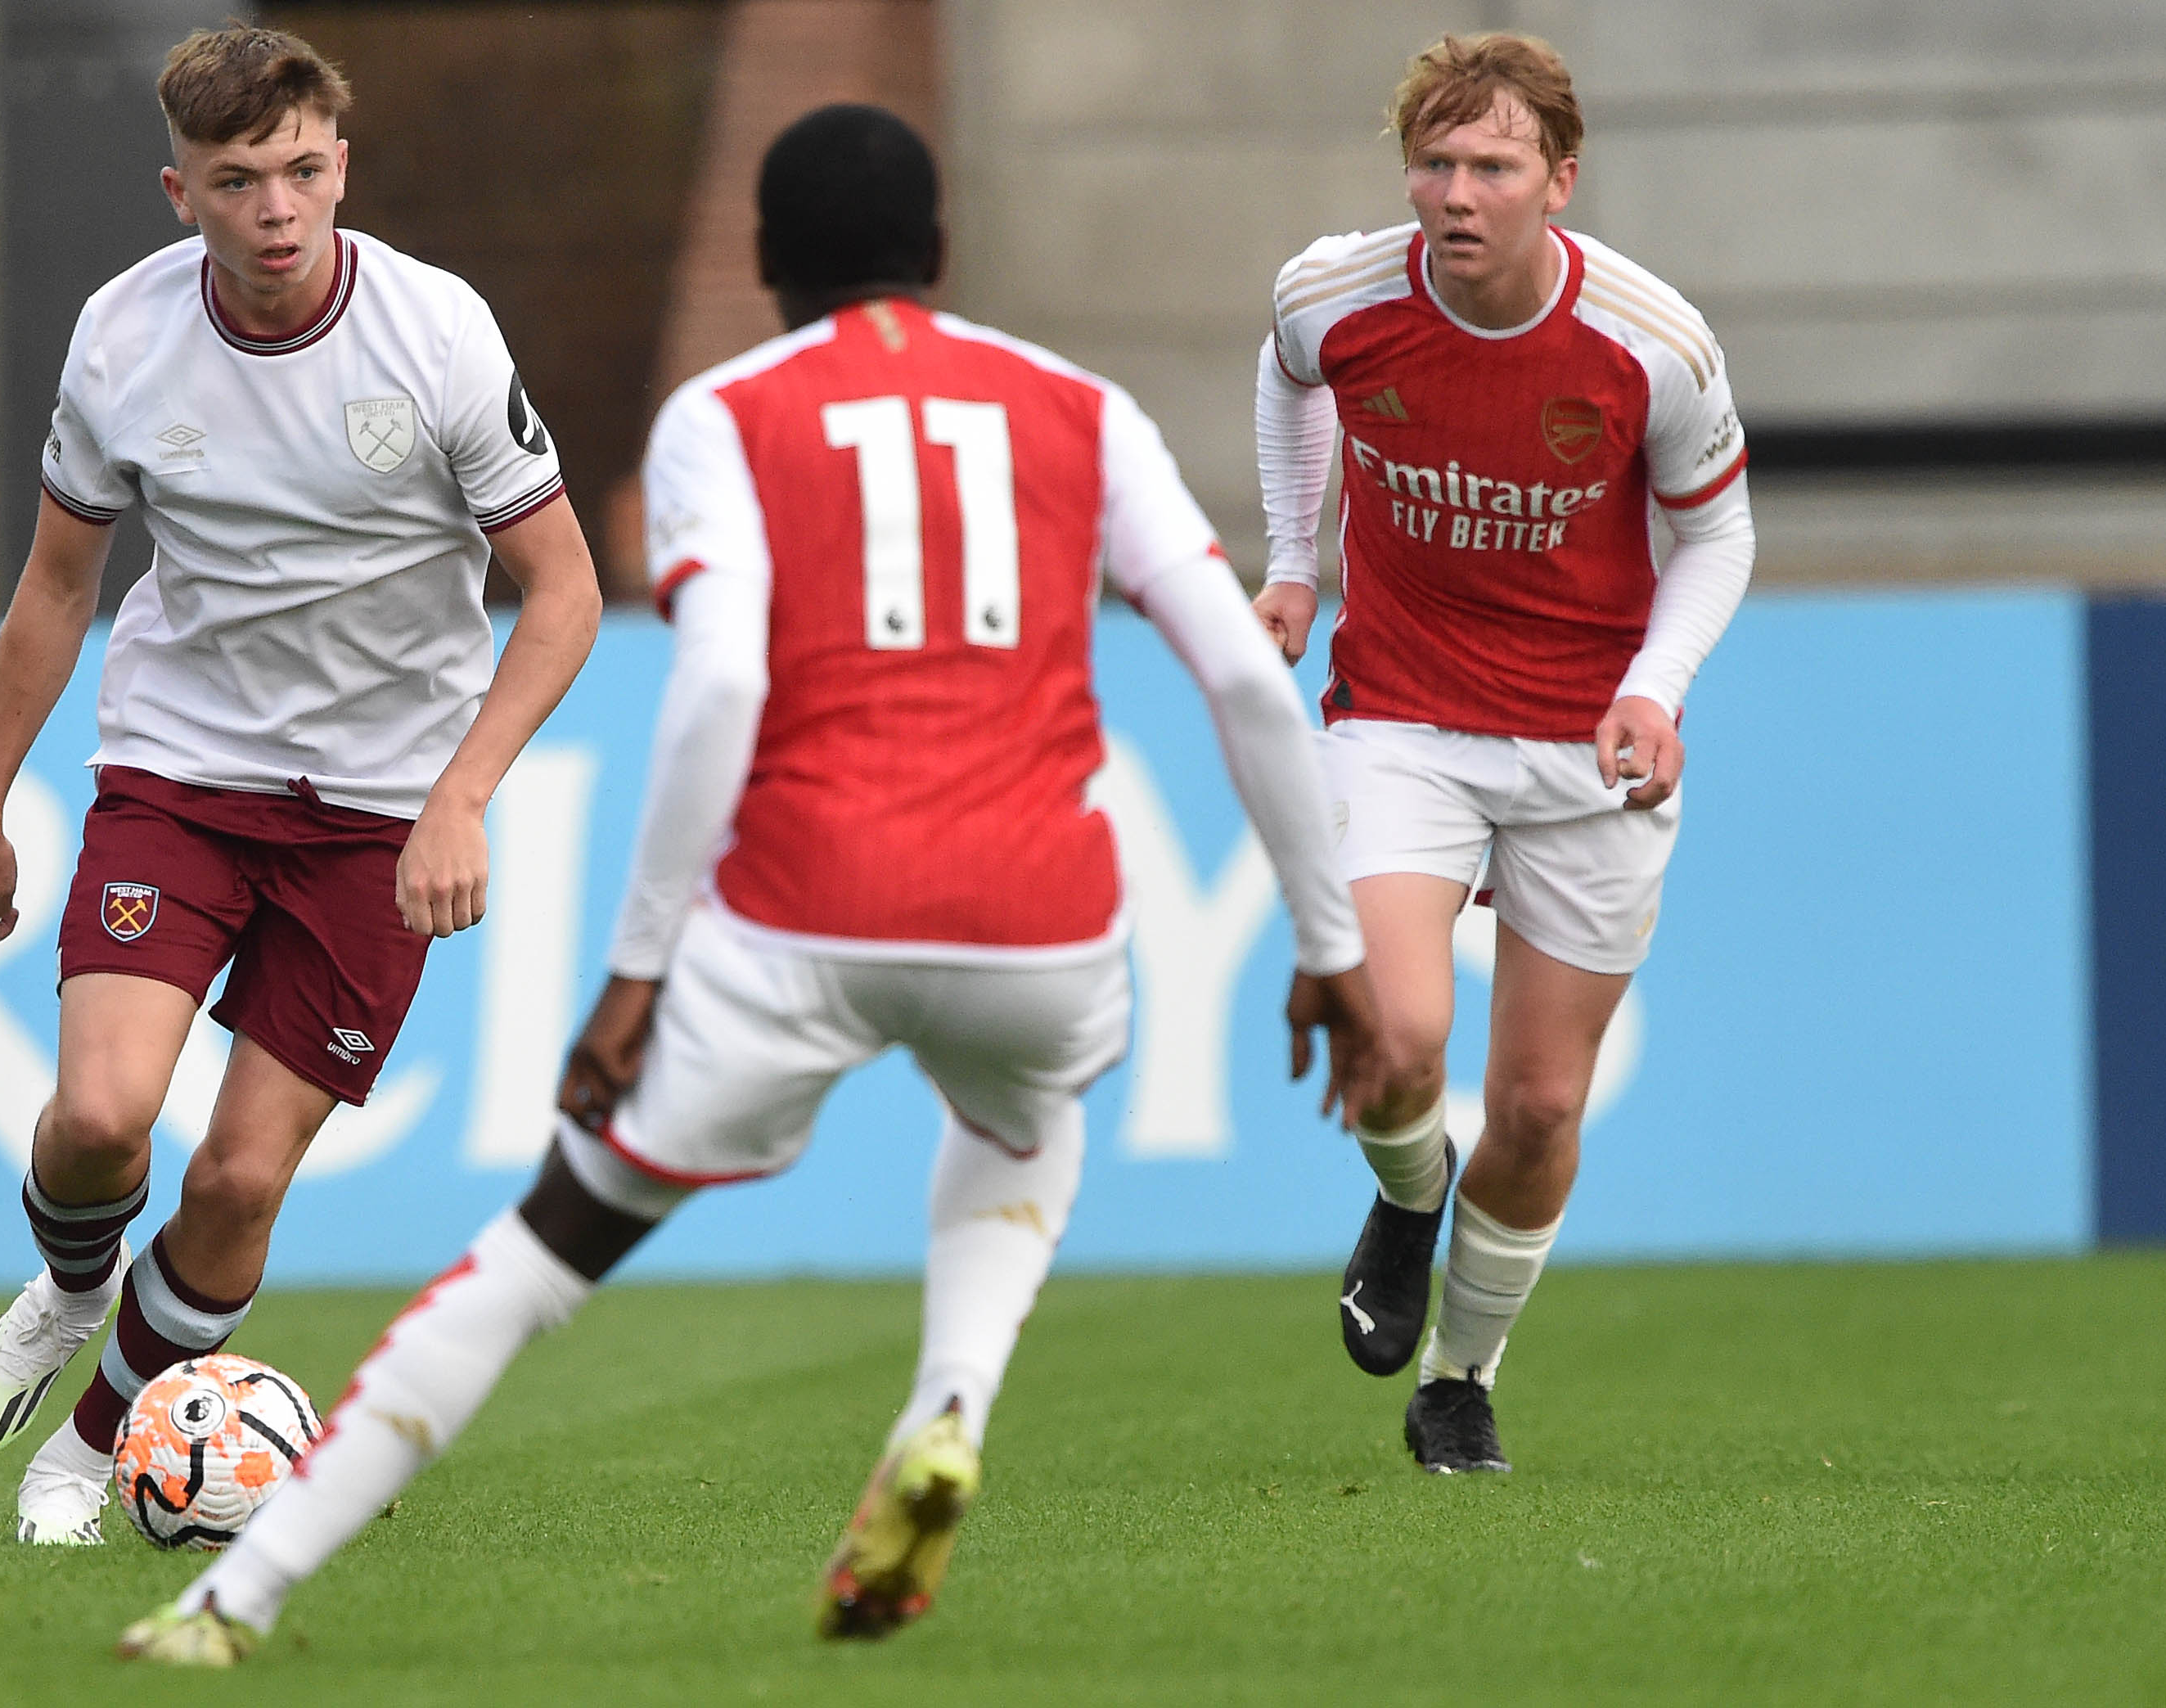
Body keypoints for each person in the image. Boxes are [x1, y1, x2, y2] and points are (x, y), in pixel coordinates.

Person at [114, 102, 1380, 1666]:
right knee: (1020, 1121)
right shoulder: (1081, 407)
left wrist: (638, 972)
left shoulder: (726, 415)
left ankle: (231, 1598)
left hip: (806, 915)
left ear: (766, 263)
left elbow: (716, 695)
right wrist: (1330, 943)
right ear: (942, 251)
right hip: (1041, 919)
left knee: (537, 1261)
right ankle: (949, 1404)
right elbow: (1250, 688)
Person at [0, 24, 601, 1544]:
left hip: (379, 811)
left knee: (236, 1181)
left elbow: (561, 591)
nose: (278, 209)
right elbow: (55, 586)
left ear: (341, 167)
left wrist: (462, 796)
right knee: (101, 1118)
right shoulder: (121, 336)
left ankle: (93, 1455)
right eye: (240, 181)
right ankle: (71, 1287)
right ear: (182, 193)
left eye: (302, 171)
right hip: (182, 766)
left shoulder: (435, 335)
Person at [1251, 32, 1754, 1474]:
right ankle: (1408, 1202)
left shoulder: (1650, 341)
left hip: (1586, 744)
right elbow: (1288, 376)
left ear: (1558, 179)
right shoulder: (1335, 293)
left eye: (1492, 165)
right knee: (1397, 1038)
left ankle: (1461, 1377)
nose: (1457, 192)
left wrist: (1657, 691)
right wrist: (1297, 559)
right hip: (1398, 714)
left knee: (1535, 1106)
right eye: (1435, 163)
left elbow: (1716, 530)